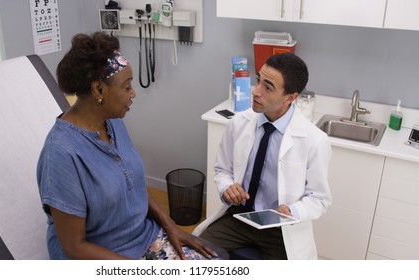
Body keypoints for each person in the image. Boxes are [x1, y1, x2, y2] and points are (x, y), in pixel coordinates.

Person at [36, 32, 224, 260]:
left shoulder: (112, 124)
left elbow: (132, 182)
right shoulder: (61, 153)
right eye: (126, 87)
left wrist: (171, 225)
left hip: (143, 238)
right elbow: (75, 247)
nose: (133, 93)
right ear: (99, 90)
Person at [194, 52, 332, 260]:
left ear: (291, 97)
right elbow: (223, 170)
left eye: (268, 87)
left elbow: (319, 199)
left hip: (280, 229)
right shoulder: (239, 123)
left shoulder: (314, 140)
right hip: (239, 218)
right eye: (258, 80)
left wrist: (292, 211)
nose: (256, 92)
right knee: (193, 254)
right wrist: (227, 187)